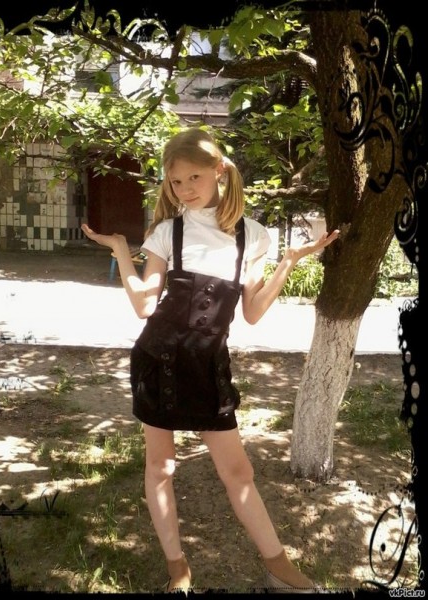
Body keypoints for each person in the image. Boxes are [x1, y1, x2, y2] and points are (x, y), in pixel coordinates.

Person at [81, 127, 339, 593]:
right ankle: (178, 569)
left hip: (209, 365)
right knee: (160, 468)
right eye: (176, 182)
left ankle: (278, 565)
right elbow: (144, 305)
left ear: (219, 170)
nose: (185, 189)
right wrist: (122, 251)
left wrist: (289, 262)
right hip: (158, 358)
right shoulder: (167, 231)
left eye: (194, 177)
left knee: (238, 472)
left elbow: (252, 312)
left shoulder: (253, 236)